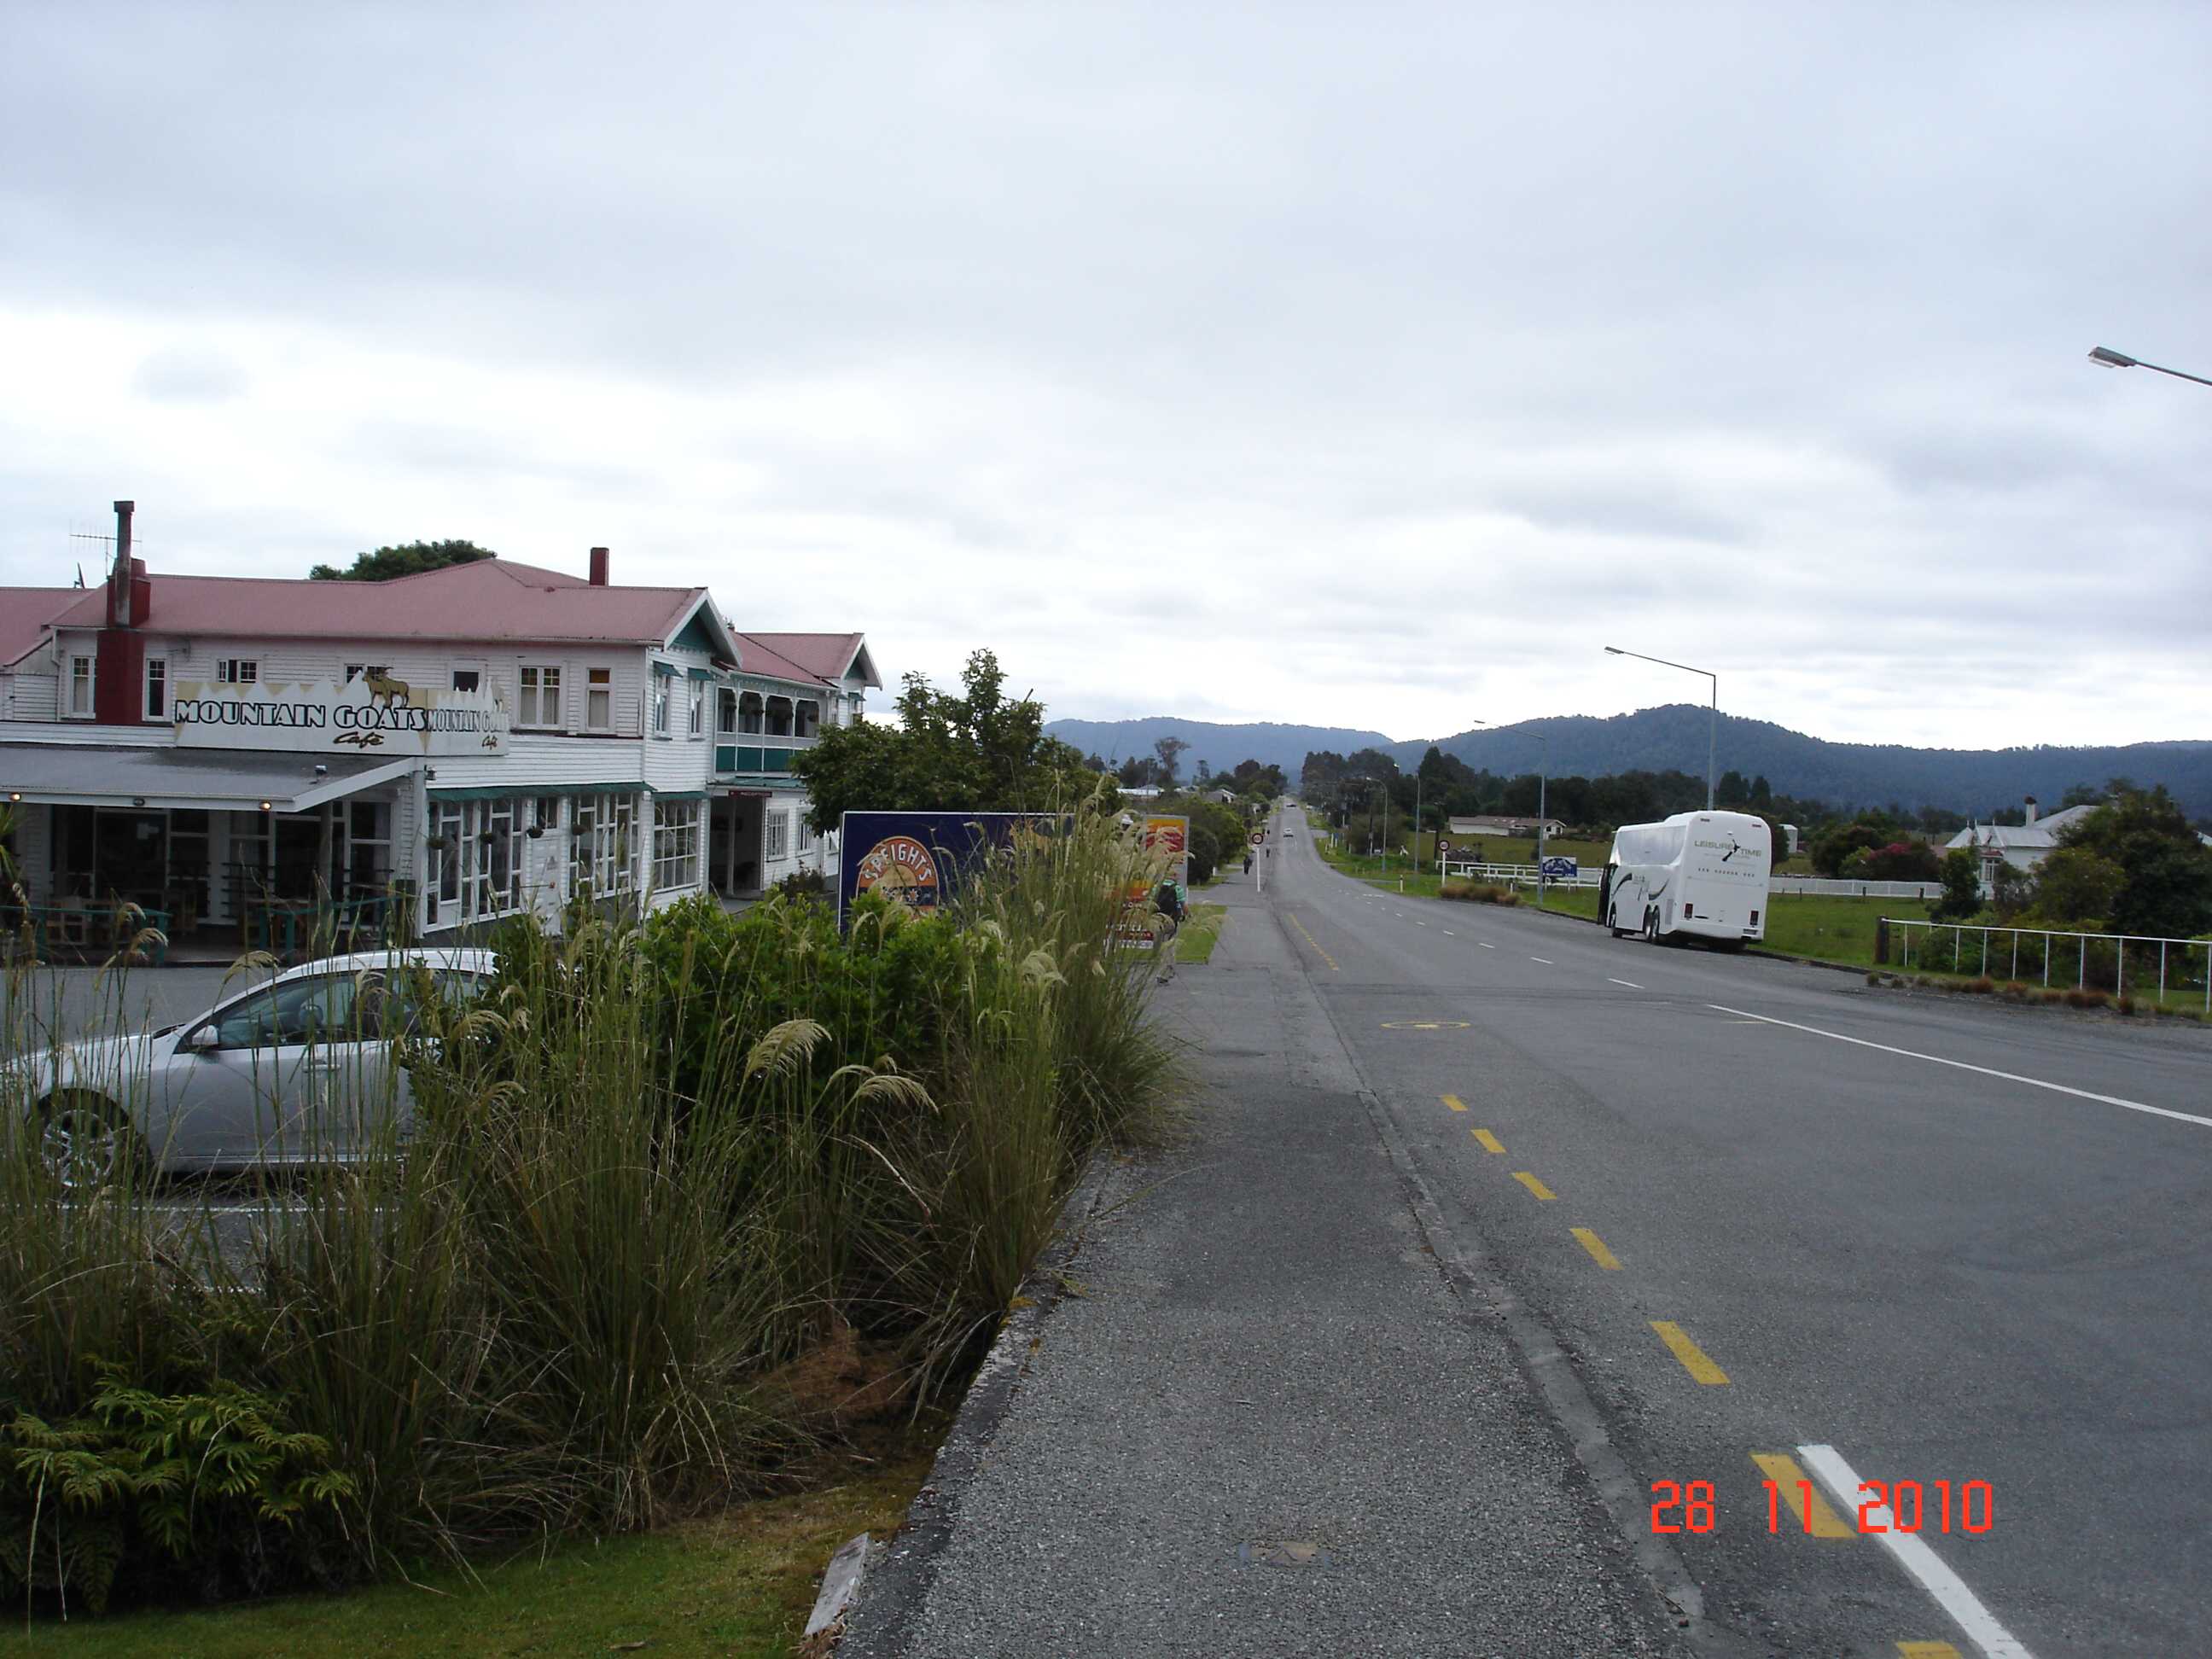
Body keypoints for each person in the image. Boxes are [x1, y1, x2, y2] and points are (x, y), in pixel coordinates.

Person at [1152, 872, 1186, 981]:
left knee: (1159, 946)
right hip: (1171, 921)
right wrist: (1187, 915)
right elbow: (1183, 905)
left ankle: (1168, 970)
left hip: (1157, 920)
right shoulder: (1177, 889)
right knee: (1169, 947)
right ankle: (1163, 973)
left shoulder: (1155, 887)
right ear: (1174, 876)